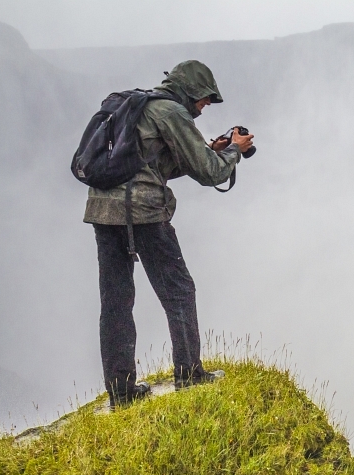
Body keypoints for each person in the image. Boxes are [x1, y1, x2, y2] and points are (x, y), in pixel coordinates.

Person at [82, 60, 254, 408]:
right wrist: (236, 150)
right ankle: (190, 375)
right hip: (142, 211)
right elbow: (208, 173)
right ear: (191, 91)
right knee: (179, 290)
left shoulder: (140, 107)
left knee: (116, 301)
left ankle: (121, 392)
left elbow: (151, 164)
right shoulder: (172, 112)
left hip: (102, 210)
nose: (205, 107)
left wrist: (214, 148)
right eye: (205, 100)